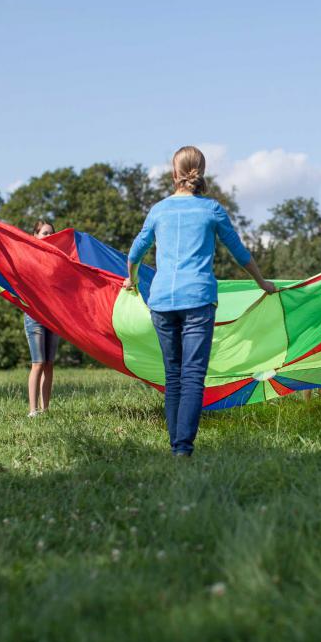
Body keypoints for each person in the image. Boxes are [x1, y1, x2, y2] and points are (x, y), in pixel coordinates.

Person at [124, 146, 276, 456]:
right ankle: (182, 449)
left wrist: (132, 278)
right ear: (201, 172)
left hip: (162, 302)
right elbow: (240, 253)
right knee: (193, 374)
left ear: (173, 174)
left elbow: (134, 253)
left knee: (173, 374)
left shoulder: (158, 210)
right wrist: (262, 282)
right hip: (198, 300)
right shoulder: (212, 210)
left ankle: (175, 444)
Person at [24, 220, 60, 417]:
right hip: (34, 316)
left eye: (51, 233)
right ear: (35, 235)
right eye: (45, 233)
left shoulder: (57, 259)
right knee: (37, 363)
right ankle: (33, 409)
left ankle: (45, 409)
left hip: (54, 317)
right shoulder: (29, 258)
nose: (49, 236)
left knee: (49, 364)